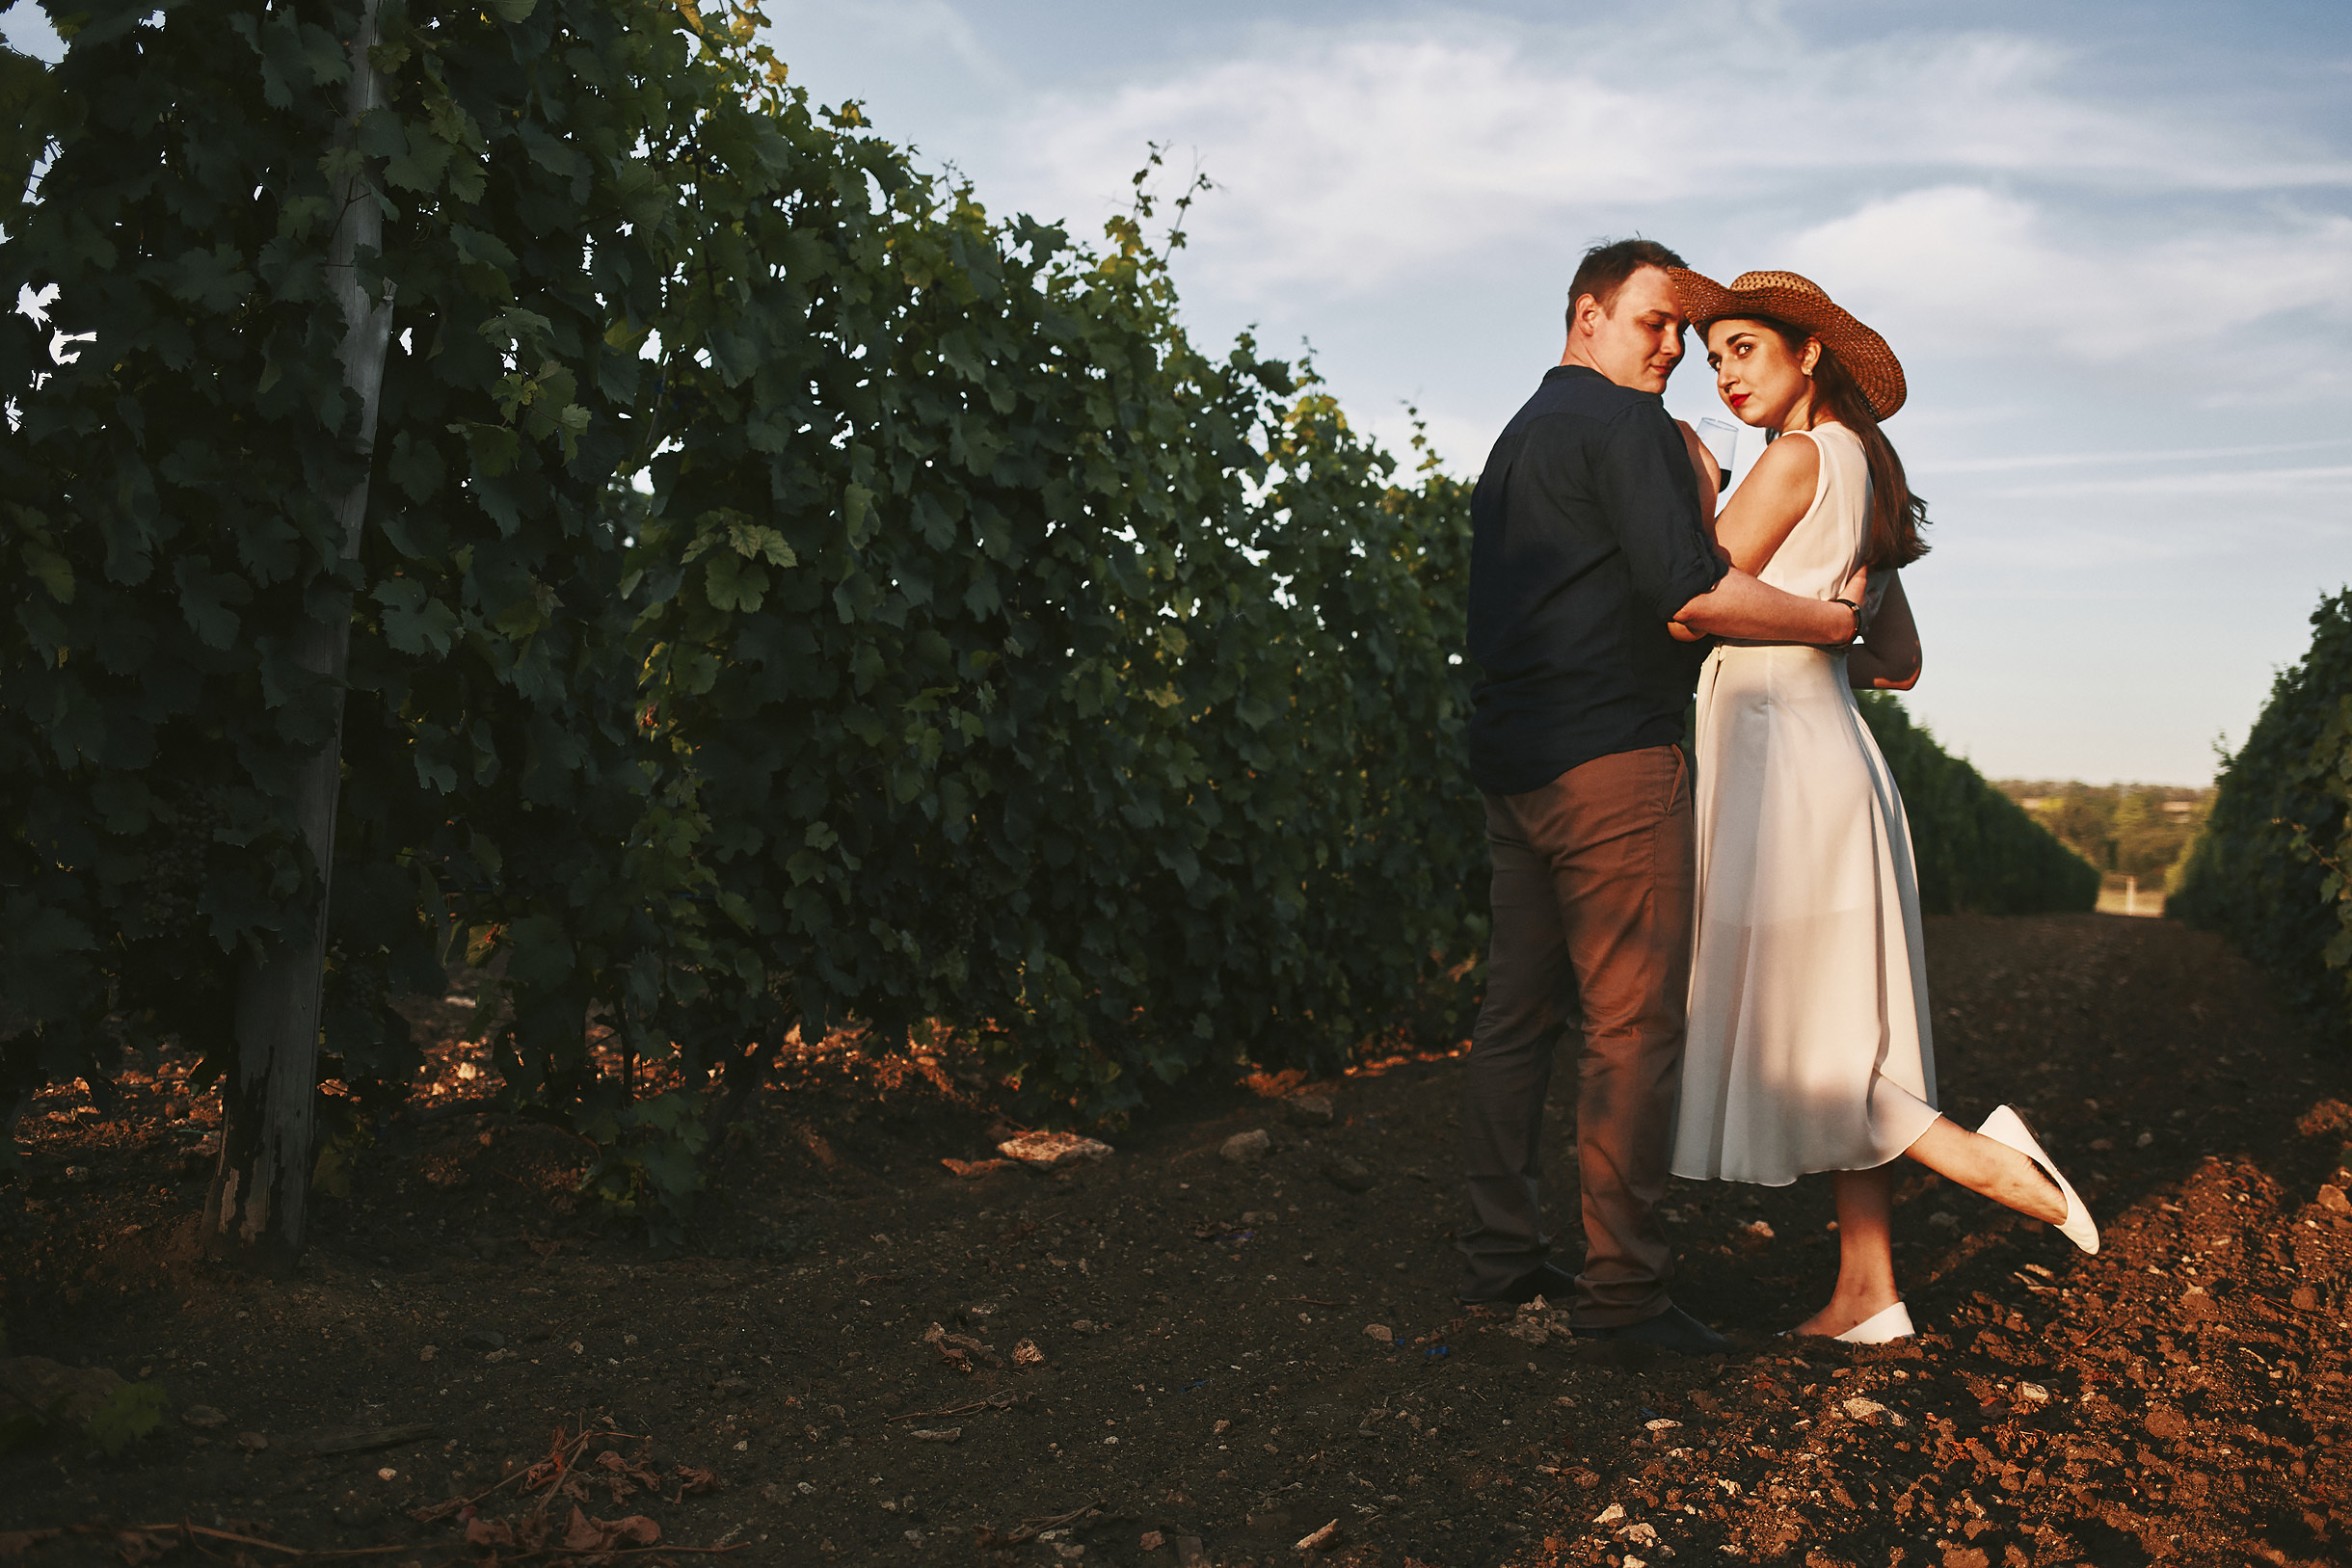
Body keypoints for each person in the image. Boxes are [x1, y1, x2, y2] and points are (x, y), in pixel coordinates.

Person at [1664, 267, 2098, 1344]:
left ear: (1808, 353)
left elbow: (1689, 601)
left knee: (1798, 1023)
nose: (1724, 374)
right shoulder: (1864, 474)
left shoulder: (1794, 462)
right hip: (1827, 755)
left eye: (1744, 351)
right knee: (1828, 1012)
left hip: (1780, 768)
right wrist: (1823, 630)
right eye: (1714, 356)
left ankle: (1986, 1160)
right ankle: (1868, 1287)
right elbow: (1895, 655)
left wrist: (1702, 499)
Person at [1456, 239, 1870, 1354]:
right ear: (1586, 315)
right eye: (1653, 323)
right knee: (1630, 1026)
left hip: (1512, 764)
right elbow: (1689, 590)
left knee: (1514, 1017)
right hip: (1611, 763)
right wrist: (1832, 623)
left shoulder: (1512, 442)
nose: (1672, 349)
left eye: (1683, 335)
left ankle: (1499, 1259)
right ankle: (1622, 1298)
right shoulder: (1626, 425)